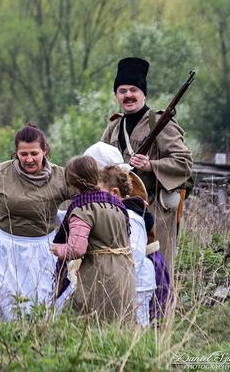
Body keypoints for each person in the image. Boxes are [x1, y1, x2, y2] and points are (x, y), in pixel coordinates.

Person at [0, 123, 72, 320]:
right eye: (23, 154)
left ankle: (32, 342)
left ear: (45, 150)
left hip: (41, 251)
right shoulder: (1, 172)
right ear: (16, 153)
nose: (29, 159)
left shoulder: (61, 177)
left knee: (34, 304)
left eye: (34, 153)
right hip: (2, 248)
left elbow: (83, 204)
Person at [101, 57, 192, 273]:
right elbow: (99, 163)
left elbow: (184, 162)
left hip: (154, 210)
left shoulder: (159, 123)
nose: (128, 95)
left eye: (134, 89)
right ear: (116, 95)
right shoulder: (114, 126)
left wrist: (151, 165)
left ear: (144, 93)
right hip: (119, 211)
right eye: (122, 90)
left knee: (157, 272)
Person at [51, 156, 135, 322]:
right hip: (125, 270)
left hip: (100, 274)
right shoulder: (116, 204)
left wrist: (56, 249)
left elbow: (76, 248)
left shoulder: (83, 209)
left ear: (72, 183)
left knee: (87, 322)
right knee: (120, 323)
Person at [98, 165, 156, 327]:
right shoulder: (116, 213)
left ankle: (138, 348)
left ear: (115, 193)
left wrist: (119, 279)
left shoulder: (131, 216)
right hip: (122, 280)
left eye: (100, 193)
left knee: (137, 322)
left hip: (136, 283)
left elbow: (135, 253)